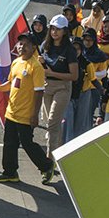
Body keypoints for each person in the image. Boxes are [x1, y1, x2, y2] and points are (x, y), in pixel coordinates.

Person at [0, 32, 55, 184]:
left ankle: (46, 165)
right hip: (12, 113)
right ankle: (10, 172)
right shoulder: (16, 62)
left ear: (33, 47)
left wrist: (34, 115)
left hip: (26, 115)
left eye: (26, 44)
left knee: (27, 143)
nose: (21, 47)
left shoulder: (35, 67)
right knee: (9, 143)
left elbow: (39, 92)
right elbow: (10, 84)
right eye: (20, 44)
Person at [40, 14, 77, 174]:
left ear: (65, 31)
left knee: (53, 123)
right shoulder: (45, 45)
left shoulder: (69, 50)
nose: (55, 32)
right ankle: (58, 156)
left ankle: (49, 162)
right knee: (50, 124)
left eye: (58, 29)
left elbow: (74, 76)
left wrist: (51, 72)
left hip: (62, 87)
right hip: (46, 87)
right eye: (53, 28)